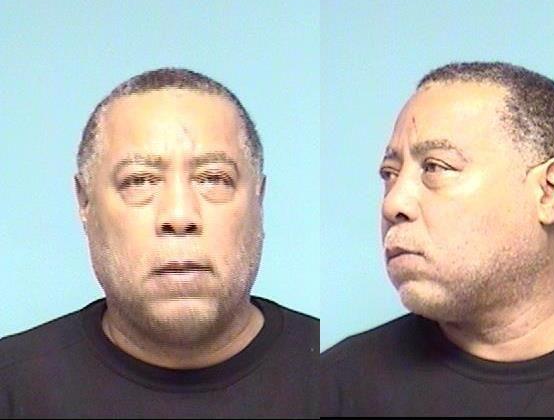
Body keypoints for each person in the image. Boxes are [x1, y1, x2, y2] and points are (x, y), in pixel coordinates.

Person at [321, 62, 554, 416]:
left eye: (435, 167)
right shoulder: (334, 389)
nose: (393, 203)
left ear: (550, 192)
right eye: (389, 174)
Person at [0, 68, 318, 418]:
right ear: (85, 203)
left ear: (259, 200)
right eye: (139, 181)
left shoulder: (332, 377)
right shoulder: (12, 387)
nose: (179, 216)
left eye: (213, 178)